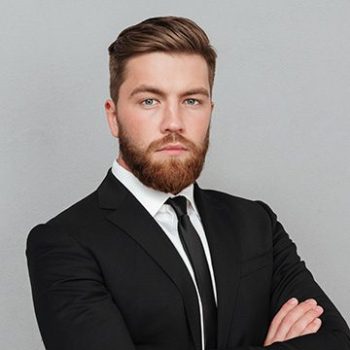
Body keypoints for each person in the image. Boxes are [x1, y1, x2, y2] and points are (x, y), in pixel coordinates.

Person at [26, 16, 350, 350]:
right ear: (113, 116)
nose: (173, 123)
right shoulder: (64, 243)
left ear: (211, 109)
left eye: (191, 100)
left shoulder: (256, 223)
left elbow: (336, 340)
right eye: (149, 100)